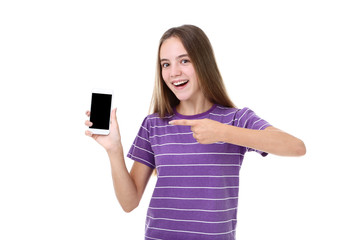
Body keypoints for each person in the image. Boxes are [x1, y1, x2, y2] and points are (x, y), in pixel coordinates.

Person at [85, 24, 306, 240]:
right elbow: (129, 202)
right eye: (165, 64)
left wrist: (223, 132)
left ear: (203, 63)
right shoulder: (154, 124)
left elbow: (296, 147)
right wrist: (114, 149)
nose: (174, 72)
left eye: (184, 60)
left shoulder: (235, 120)